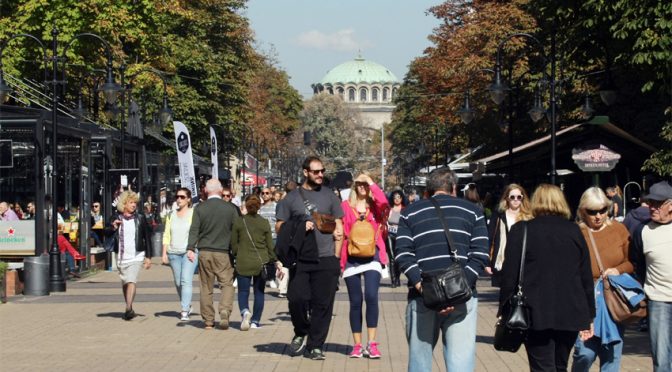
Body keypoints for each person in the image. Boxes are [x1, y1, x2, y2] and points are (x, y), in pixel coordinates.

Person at [395, 168, 489, 372]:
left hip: (422, 297)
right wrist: (456, 290)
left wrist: (423, 287)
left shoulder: (410, 212)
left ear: (427, 190)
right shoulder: (473, 211)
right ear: (454, 188)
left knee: (419, 364)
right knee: (461, 365)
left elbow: (403, 253)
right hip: (462, 297)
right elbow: (480, 254)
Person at [499, 184, 594, 372]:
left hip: (535, 311)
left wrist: (504, 308)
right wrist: (589, 315)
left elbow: (509, 274)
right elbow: (585, 275)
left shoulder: (522, 230)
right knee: (560, 366)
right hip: (570, 311)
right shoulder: (574, 231)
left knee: (542, 366)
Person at [276, 156, 344, 360]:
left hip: (326, 258)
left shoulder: (330, 196)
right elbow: (279, 227)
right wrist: (298, 226)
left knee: (322, 305)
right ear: (305, 172)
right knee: (297, 299)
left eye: (322, 171)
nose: (321, 175)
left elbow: (339, 228)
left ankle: (315, 345)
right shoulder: (291, 198)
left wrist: (336, 257)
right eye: (316, 171)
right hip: (301, 258)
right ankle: (301, 330)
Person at [572, 187, 633, 372]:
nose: (598, 216)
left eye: (602, 210)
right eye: (592, 211)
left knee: (611, 354)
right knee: (585, 353)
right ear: (583, 211)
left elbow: (632, 262)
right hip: (586, 299)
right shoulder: (576, 232)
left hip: (612, 298)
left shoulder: (619, 229)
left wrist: (618, 269)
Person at [340, 174, 389, 359]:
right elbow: (341, 230)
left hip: (373, 255)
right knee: (355, 301)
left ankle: (372, 343)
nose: (362, 187)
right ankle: (357, 345)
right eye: (359, 184)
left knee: (371, 295)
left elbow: (385, 203)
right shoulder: (345, 206)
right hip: (352, 257)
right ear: (354, 186)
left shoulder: (375, 207)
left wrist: (370, 181)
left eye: (365, 184)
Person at [630, 181, 672, 372]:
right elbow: (636, 264)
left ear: (670, 205)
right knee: (661, 358)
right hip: (659, 300)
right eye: (650, 203)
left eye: (657, 203)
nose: (652, 208)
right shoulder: (642, 231)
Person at [187, 179, 238, 330]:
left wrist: (190, 247)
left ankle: (208, 320)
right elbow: (236, 230)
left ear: (206, 191)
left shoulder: (200, 208)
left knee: (205, 286)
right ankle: (224, 309)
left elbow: (194, 229)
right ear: (221, 190)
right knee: (227, 284)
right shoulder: (230, 208)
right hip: (223, 252)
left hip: (204, 251)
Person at [231, 194, 280, 330]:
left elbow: (234, 243)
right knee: (259, 292)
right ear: (259, 206)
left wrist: (237, 254)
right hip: (261, 262)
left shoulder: (239, 222)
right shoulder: (264, 222)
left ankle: (245, 311)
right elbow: (270, 245)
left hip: (243, 261)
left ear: (246, 206)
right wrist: (274, 259)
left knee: (243, 292)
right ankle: (255, 321)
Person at [105, 191, 153, 321]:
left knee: (131, 279)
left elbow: (147, 238)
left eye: (135, 203)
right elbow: (106, 232)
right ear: (124, 204)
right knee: (125, 282)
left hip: (136, 255)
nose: (134, 205)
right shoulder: (115, 217)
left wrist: (148, 257)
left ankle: (128, 308)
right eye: (131, 203)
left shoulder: (140, 218)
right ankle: (130, 308)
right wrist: (113, 226)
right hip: (121, 256)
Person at [161, 187, 197, 321]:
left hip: (189, 252)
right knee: (178, 282)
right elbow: (166, 235)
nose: (179, 199)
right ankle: (187, 304)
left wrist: (193, 248)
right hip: (173, 253)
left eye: (182, 197)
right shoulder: (171, 214)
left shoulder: (194, 213)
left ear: (188, 199)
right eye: (177, 197)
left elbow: (197, 232)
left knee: (186, 280)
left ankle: (184, 311)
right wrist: (164, 253)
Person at [487, 184, 533, 286]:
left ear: (522, 198)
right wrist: (487, 263)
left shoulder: (529, 217)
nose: (516, 200)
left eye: (519, 197)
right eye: (512, 197)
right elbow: (490, 238)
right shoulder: (499, 215)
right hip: (503, 260)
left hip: (523, 260)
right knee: (505, 294)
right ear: (507, 198)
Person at [386, 189, 405, 288]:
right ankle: (393, 281)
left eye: (399, 197)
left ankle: (397, 278)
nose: (397, 200)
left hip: (400, 236)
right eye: (395, 198)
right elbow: (385, 220)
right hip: (390, 235)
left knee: (398, 259)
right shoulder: (389, 209)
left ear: (402, 198)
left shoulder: (405, 209)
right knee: (392, 258)